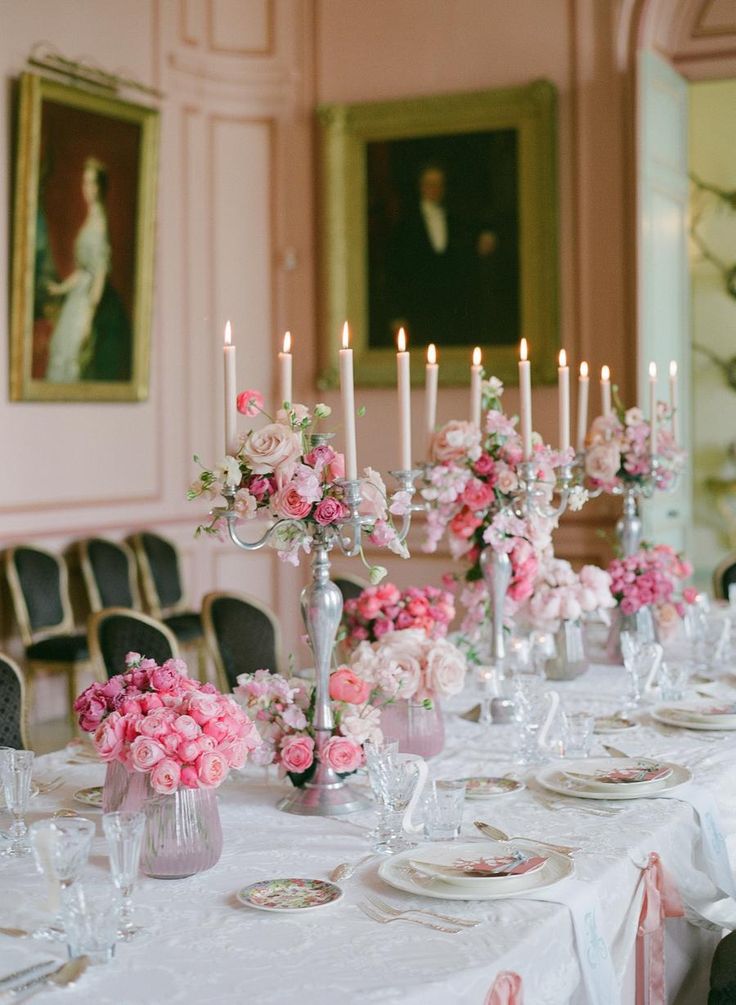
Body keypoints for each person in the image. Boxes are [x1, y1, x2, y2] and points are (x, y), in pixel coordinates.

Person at [385, 161, 499, 346]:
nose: (434, 189)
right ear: (421, 187)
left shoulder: (456, 221)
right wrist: (397, 315)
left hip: (453, 310)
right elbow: (395, 273)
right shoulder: (405, 226)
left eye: (439, 184)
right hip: (419, 310)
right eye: (429, 184)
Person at [45, 157, 131, 383]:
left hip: (88, 302)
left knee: (74, 358)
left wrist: (88, 317)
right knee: (62, 352)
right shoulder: (90, 218)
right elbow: (85, 273)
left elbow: (99, 273)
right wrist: (61, 288)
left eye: (92, 183)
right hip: (79, 296)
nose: (88, 189)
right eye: (85, 183)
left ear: (101, 187)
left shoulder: (99, 223)